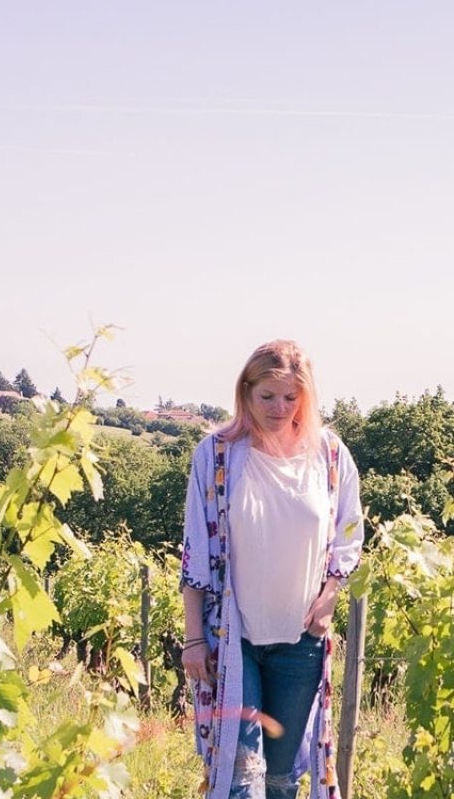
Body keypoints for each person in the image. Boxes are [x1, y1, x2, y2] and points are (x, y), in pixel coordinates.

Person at [180, 340, 363, 799]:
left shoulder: (331, 456)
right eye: (267, 396)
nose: (279, 408)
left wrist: (331, 596)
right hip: (231, 641)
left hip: (300, 641)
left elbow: (349, 534)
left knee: (283, 778)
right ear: (246, 392)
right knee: (241, 779)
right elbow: (196, 550)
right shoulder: (218, 455)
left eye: (290, 397)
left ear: (306, 396)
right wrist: (193, 638)